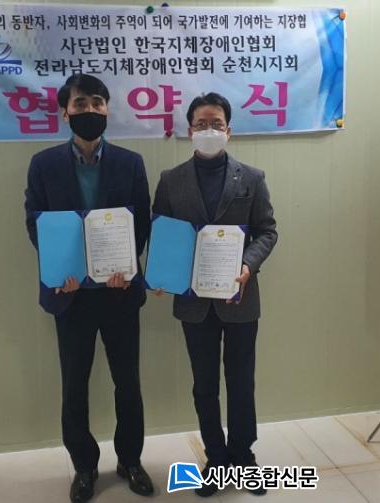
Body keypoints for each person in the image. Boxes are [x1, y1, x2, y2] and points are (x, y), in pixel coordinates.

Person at [24, 74, 154, 502]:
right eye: (80, 104)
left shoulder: (131, 163)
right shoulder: (43, 165)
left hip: (119, 293)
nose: (90, 110)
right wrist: (59, 268)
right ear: (65, 112)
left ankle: (130, 460)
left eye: (98, 102)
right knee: (74, 386)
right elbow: (35, 224)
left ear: (107, 109)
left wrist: (123, 265)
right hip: (71, 296)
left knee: (128, 384)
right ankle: (84, 466)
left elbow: (140, 223)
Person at [152, 92, 278, 497]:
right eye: (201, 124)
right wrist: (161, 274)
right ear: (189, 130)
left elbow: (267, 231)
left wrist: (248, 266)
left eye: (217, 124)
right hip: (193, 303)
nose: (209, 130)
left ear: (229, 130)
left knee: (241, 382)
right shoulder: (170, 180)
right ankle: (217, 459)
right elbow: (162, 234)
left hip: (239, 298)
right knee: (204, 384)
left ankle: (243, 456)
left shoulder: (252, 178)